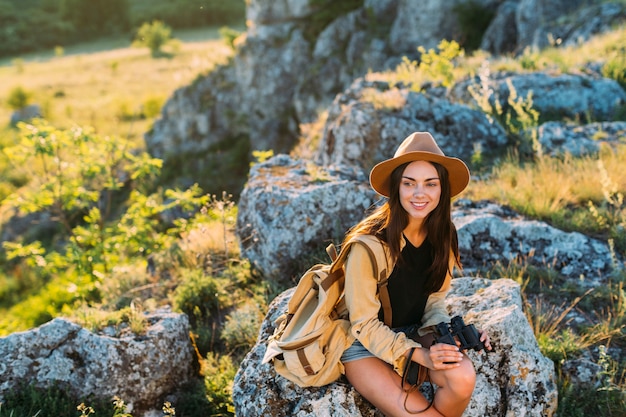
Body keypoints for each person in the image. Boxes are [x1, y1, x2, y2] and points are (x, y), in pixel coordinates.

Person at [339, 131, 492, 417]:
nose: (419, 193)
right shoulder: (369, 245)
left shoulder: (444, 236)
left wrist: (449, 336)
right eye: (409, 183)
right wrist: (419, 355)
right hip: (363, 345)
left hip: (413, 333)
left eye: (430, 184)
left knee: (462, 377)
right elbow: (363, 323)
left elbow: (433, 301)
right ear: (397, 188)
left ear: (442, 189)